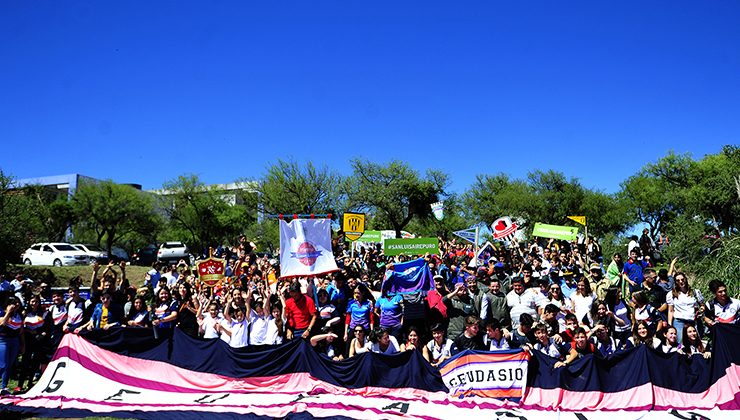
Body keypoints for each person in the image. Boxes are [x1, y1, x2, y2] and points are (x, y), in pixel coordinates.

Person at [18, 295, 47, 391]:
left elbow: (48, 327)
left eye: (36, 302)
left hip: (38, 340)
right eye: (32, 301)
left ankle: (30, 383)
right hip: (27, 340)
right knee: (25, 362)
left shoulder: (44, 313)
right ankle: (20, 384)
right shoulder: (25, 313)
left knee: (35, 362)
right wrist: (28, 331)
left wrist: (42, 334)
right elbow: (20, 326)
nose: (34, 304)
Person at [667, 272, 703, 344]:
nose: (681, 282)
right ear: (675, 282)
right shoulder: (671, 294)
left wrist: (701, 310)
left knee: (696, 341)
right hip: (679, 321)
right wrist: (670, 325)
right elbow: (670, 311)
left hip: (693, 320)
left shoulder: (695, 292)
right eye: (678, 280)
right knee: (680, 341)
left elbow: (702, 305)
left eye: (682, 279)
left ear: (686, 279)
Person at [0, 296, 24, 395]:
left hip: (15, 341)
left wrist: (23, 344)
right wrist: (8, 312)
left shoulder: (19, 315)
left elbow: (21, 331)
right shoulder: (1, 312)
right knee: (3, 364)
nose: (16, 305)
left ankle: (4, 387)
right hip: (3, 340)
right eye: (14, 303)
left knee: (9, 365)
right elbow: (2, 324)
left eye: (18, 303)